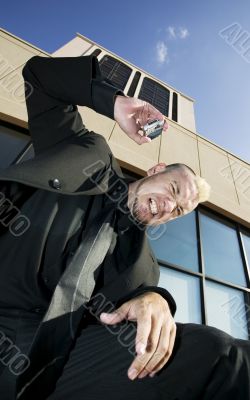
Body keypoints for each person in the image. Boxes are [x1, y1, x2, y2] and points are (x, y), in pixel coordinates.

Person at [0, 55, 249, 400]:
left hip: (41, 359)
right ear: (155, 170)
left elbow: (136, 310)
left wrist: (156, 298)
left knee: (227, 357)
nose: (167, 206)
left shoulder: (141, 266)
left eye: (177, 210)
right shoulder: (89, 155)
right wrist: (112, 102)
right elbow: (38, 77)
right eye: (173, 190)